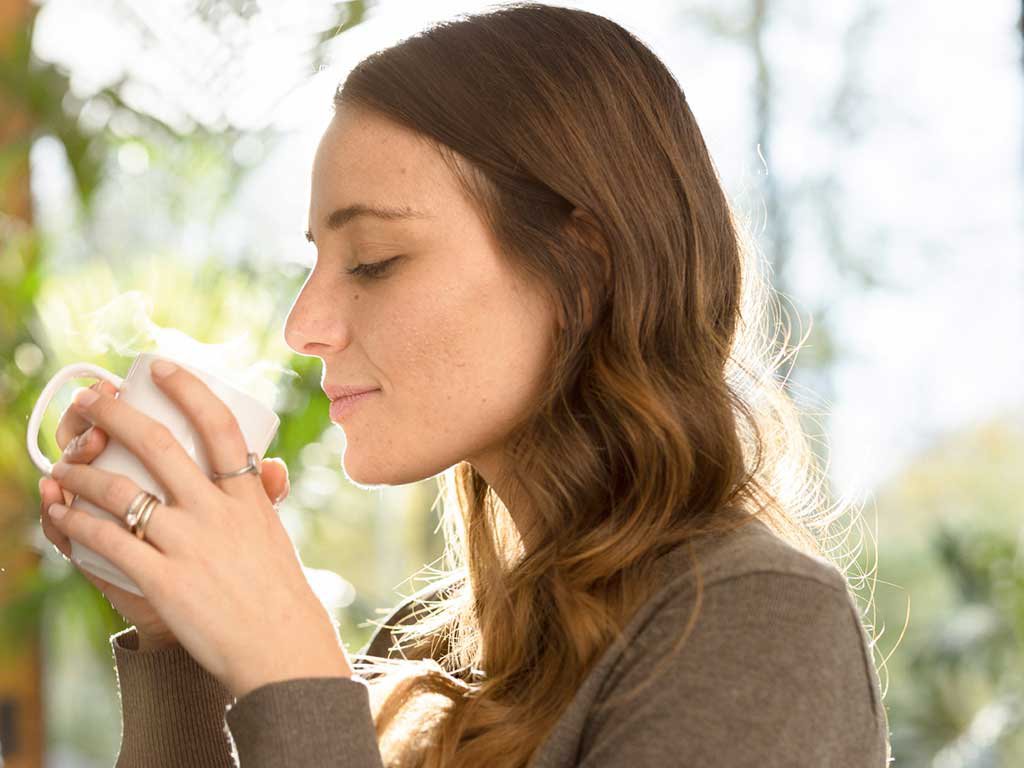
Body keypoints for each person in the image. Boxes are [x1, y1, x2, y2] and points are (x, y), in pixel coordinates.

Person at [38, 3, 891, 766]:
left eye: (374, 261)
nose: (303, 326)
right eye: (317, 262)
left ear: (583, 270)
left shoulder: (757, 623)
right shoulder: (431, 647)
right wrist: (180, 646)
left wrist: (289, 670)